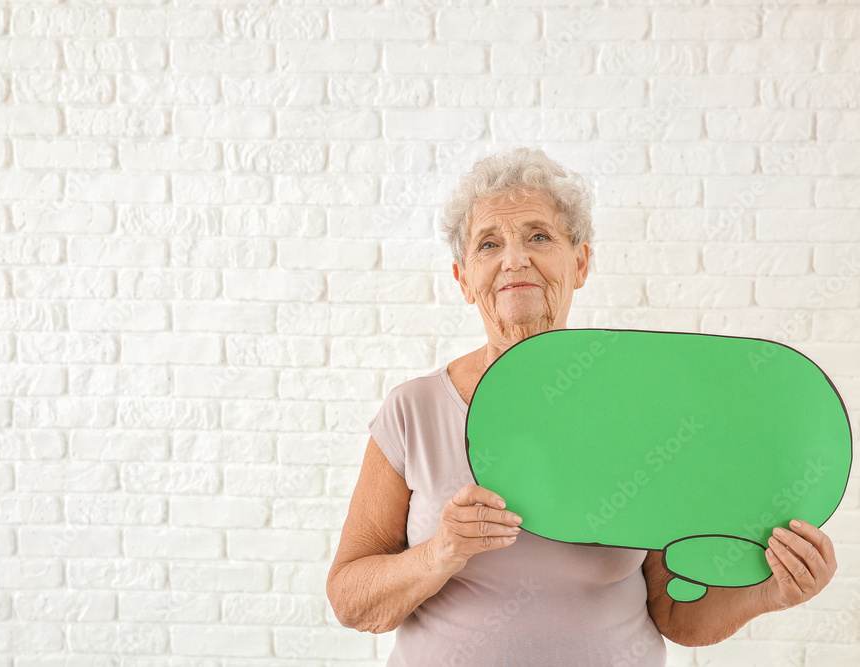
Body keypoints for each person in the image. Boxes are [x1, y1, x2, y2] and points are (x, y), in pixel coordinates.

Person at [326, 147, 837, 665]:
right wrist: (440, 553)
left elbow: (675, 615)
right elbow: (350, 600)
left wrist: (774, 591)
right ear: (464, 279)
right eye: (488, 244)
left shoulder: (645, 411)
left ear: (580, 262)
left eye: (539, 236)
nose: (514, 260)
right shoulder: (413, 410)